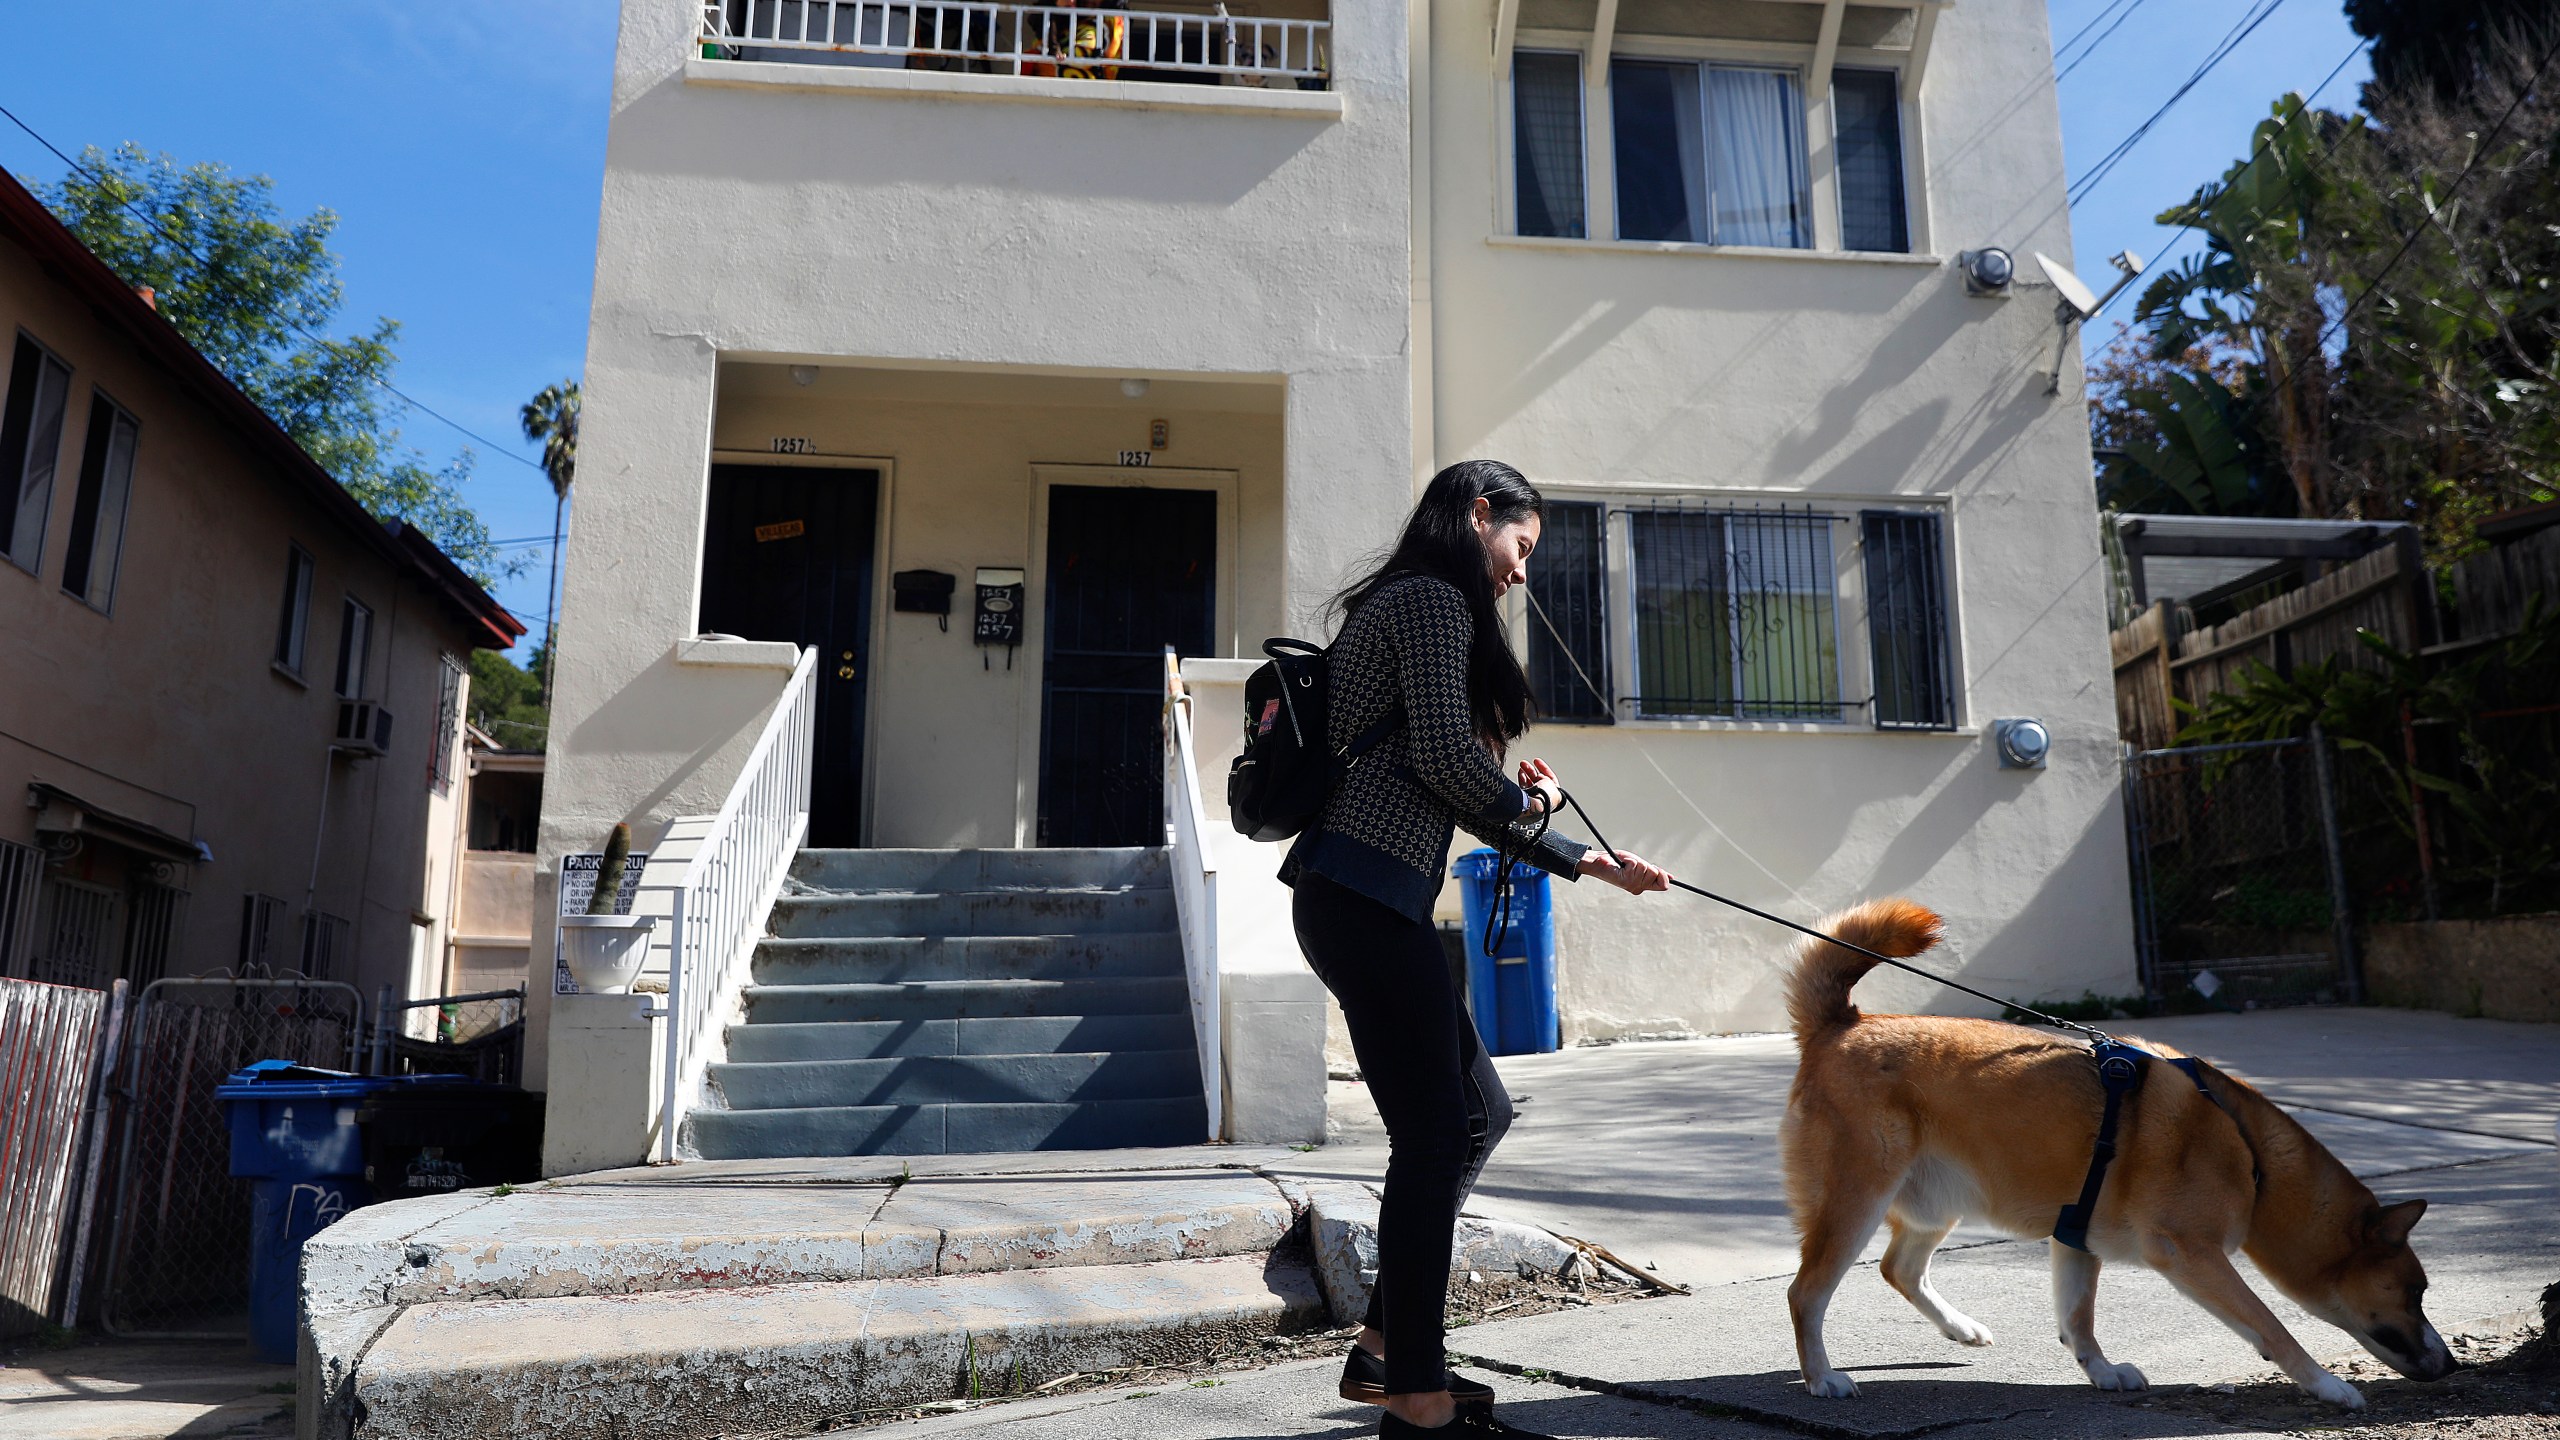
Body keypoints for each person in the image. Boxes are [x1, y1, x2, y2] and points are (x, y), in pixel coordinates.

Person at [1282, 459, 1673, 1437]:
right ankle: (1417, 1392)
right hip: (1360, 897)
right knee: (1434, 1133)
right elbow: (1449, 765)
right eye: (1520, 547)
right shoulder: (1426, 600)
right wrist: (1531, 802)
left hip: (1368, 900)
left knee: (1470, 1117)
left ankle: (1383, 1354)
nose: (1520, 573)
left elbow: (1457, 784)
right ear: (1477, 514)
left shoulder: (1422, 606)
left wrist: (1589, 860)